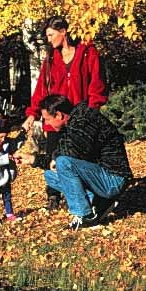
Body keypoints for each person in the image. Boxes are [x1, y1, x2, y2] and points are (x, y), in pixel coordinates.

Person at [22, 15, 108, 210]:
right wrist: (32, 114)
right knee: (53, 154)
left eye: (51, 35)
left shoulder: (88, 53)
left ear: (64, 32)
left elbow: (97, 85)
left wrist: (92, 113)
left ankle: (87, 195)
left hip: (79, 118)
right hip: (54, 118)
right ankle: (53, 195)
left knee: (81, 156)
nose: (49, 39)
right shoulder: (51, 59)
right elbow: (41, 91)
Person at [16, 94, 133, 231]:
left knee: (63, 163)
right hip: (101, 176)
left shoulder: (85, 122)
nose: (46, 124)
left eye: (47, 119)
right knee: (50, 175)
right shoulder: (73, 123)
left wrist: (43, 159)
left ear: (59, 115)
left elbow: (69, 154)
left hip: (113, 180)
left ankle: (85, 217)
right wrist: (32, 159)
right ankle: (99, 202)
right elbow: (62, 153)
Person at [0, 118, 27, 226]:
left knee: (7, 196)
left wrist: (23, 133)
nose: (3, 139)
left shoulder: (6, 143)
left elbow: (16, 143)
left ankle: (9, 214)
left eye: (5, 136)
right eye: (0, 137)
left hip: (6, 177)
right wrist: (8, 157)